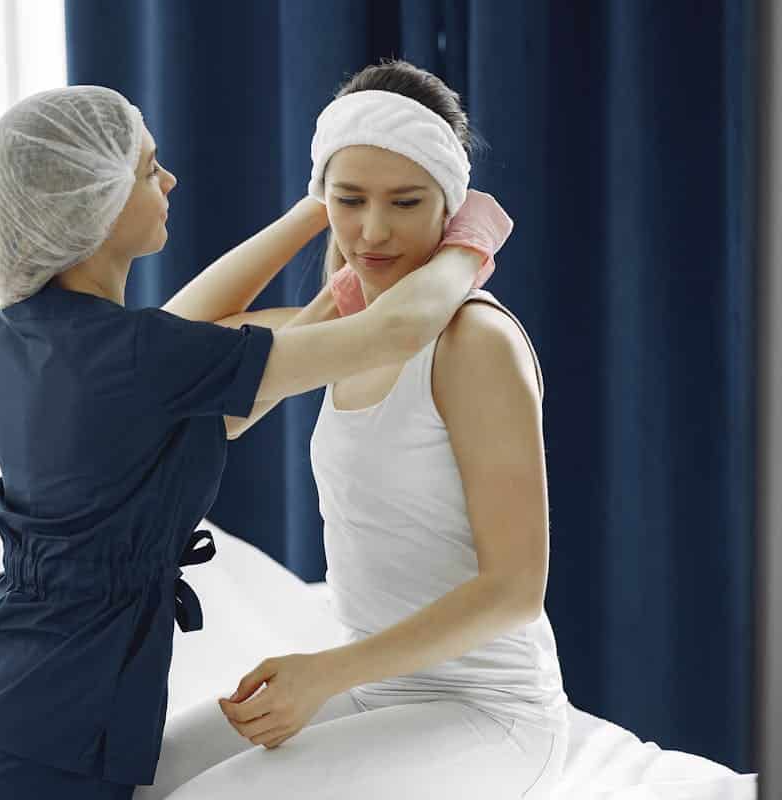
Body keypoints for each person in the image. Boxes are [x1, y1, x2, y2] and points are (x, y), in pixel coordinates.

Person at [0, 83, 507, 800]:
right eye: (146, 169)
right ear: (95, 200)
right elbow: (394, 329)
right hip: (44, 740)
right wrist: (472, 234)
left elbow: (226, 344)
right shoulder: (139, 357)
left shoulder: (40, 335)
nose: (169, 180)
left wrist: (336, 203)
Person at [140, 60, 567, 800]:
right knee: (135, 781)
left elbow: (515, 589)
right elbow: (168, 348)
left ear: (451, 204)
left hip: (487, 711)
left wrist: (323, 673)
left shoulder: (474, 345)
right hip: (379, 691)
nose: (374, 230)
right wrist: (315, 206)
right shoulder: (340, 331)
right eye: (351, 199)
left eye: (406, 200)